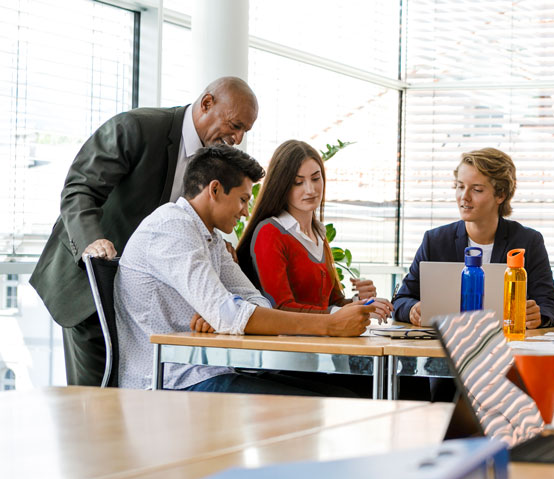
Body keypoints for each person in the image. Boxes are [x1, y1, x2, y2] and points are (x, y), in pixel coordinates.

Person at [30, 76, 259, 387]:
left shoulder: (211, 164)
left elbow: (192, 217)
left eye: (245, 130)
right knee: (95, 403)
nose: (238, 136)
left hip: (143, 309)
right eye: (235, 125)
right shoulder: (137, 128)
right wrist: (93, 242)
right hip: (91, 289)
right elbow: (79, 190)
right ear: (207, 104)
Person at [115, 145, 374, 393]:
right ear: (214, 190)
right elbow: (229, 315)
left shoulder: (212, 239)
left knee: (341, 395)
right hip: (170, 381)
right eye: (242, 199)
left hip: (210, 371)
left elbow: (256, 303)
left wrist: (221, 319)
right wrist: (329, 325)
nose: (245, 211)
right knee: (327, 405)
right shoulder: (171, 227)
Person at [393, 148, 554, 328]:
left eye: (477, 189)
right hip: (443, 348)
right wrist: (412, 309)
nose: (464, 197)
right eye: (460, 186)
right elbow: (401, 300)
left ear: (501, 195)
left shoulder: (528, 241)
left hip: (507, 347)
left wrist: (539, 316)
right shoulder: (435, 240)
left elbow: (550, 305)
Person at [235, 140, 392, 320]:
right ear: (282, 185)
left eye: (316, 179)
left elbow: (331, 304)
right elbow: (280, 309)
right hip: (286, 346)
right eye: (298, 182)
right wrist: (342, 313)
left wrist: (361, 303)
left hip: (322, 342)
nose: (310, 190)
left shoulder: (318, 233)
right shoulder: (270, 232)